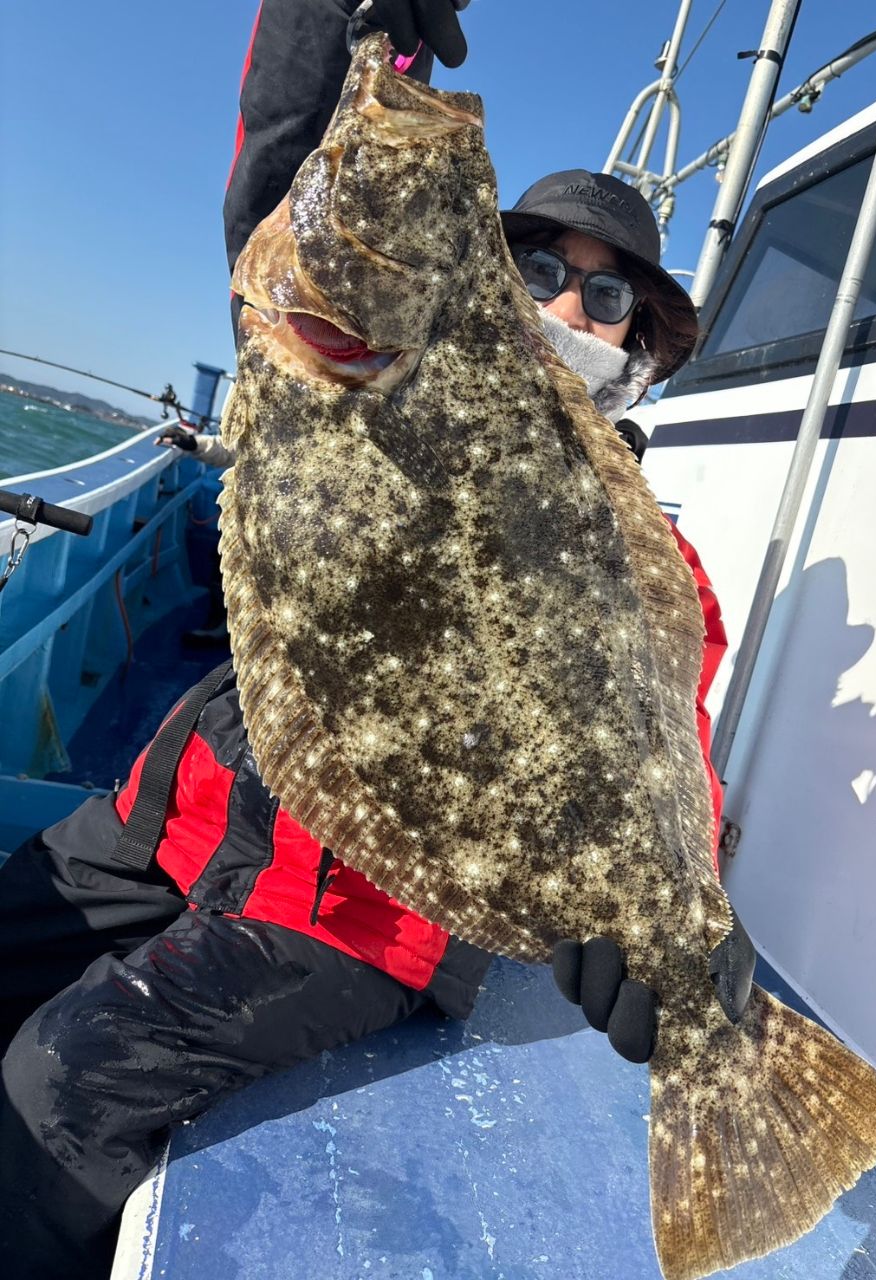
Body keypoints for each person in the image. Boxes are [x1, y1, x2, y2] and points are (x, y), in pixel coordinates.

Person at [0, 4, 752, 1277]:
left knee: (52, 1088)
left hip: (358, 918)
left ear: (641, 346)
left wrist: (679, 907)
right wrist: (329, 24)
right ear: (481, 273)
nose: (570, 299)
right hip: (180, 809)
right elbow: (286, 194)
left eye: (608, 291)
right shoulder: (361, 363)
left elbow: (658, 745)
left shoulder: (652, 569)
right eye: (537, 267)